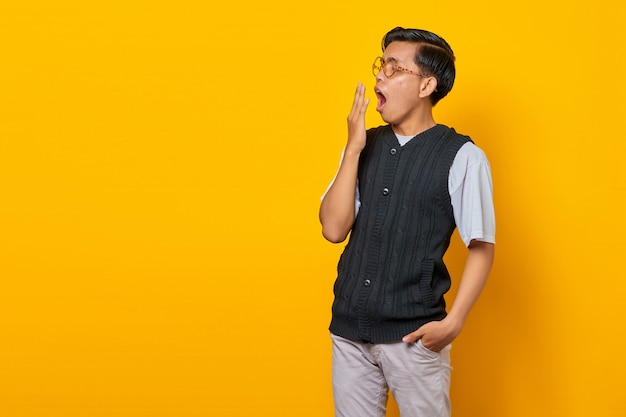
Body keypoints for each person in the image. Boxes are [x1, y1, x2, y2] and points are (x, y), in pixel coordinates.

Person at [319, 27, 495, 417]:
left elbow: (482, 246)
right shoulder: (364, 145)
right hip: (348, 332)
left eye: (395, 68)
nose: (380, 75)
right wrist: (352, 148)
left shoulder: (463, 156)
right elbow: (333, 229)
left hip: (413, 338)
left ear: (426, 85)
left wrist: (454, 322)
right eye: (382, 65)